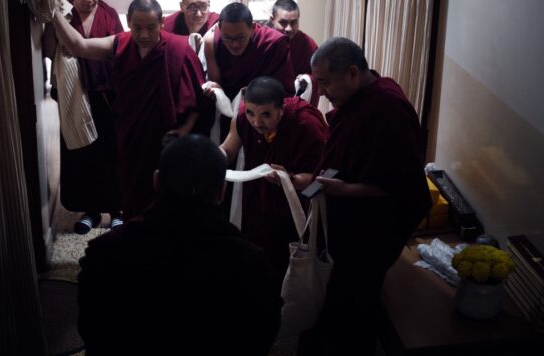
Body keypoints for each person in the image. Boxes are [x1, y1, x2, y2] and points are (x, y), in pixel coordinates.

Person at [77, 135, 282, 356]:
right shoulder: (252, 265)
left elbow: (93, 332)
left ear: (156, 181)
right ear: (222, 191)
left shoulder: (105, 253)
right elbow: (261, 337)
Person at [298, 37, 432, 356]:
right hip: (351, 214)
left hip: (372, 227)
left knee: (350, 306)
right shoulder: (367, 95)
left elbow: (401, 187)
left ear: (353, 74)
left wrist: (342, 189)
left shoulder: (387, 109)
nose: (322, 92)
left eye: (326, 83)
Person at [50, 0, 205, 219]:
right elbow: (79, 46)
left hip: (166, 140)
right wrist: (53, 12)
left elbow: (197, 100)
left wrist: (185, 130)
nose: (144, 35)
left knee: (166, 196)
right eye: (137, 28)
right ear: (128, 22)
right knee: (131, 189)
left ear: (161, 23)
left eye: (151, 28)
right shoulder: (120, 43)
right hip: (130, 133)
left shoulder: (178, 48)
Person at [219, 76, 328, 280]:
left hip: (294, 201)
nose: (256, 122)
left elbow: (318, 177)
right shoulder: (243, 116)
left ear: (282, 109)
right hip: (257, 196)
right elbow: (229, 148)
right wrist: (211, 157)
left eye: (266, 115)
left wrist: (289, 179)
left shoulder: (305, 124)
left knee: (286, 258)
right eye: (251, 113)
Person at [42, 0, 124, 233]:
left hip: (106, 96)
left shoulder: (109, 14)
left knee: (111, 154)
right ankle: (89, 211)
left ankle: (116, 210)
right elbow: (47, 50)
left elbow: (120, 51)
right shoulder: (64, 15)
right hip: (74, 96)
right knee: (82, 155)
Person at [204, 2, 295, 103]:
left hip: (262, 108)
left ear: (252, 28)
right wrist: (216, 89)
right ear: (220, 29)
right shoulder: (214, 41)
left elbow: (283, 92)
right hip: (227, 108)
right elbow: (218, 88)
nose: (234, 45)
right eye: (228, 38)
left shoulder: (274, 43)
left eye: (240, 38)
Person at [270, 0, 320, 107]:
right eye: (283, 23)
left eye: (294, 23)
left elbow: (319, 77)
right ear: (272, 20)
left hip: (296, 103)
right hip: (267, 103)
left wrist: (307, 80)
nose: (289, 29)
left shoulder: (308, 44)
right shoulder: (265, 42)